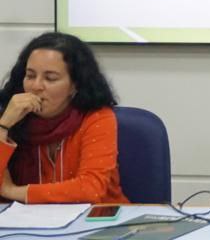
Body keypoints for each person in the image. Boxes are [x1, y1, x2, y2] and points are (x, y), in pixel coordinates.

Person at [0, 32, 128, 204]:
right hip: (27, 218)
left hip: (98, 216)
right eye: (30, 76)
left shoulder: (96, 117)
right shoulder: (11, 115)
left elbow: (90, 189)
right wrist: (4, 125)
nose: (36, 86)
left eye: (50, 78)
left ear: (75, 85)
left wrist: (12, 191)